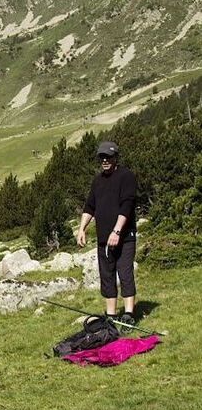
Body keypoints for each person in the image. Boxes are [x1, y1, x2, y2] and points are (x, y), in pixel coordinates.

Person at [77, 141, 137, 333]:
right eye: (101, 157)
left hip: (125, 236)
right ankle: (110, 316)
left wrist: (117, 231)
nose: (104, 160)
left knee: (125, 273)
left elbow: (126, 205)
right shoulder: (98, 180)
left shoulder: (126, 176)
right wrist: (81, 229)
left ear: (115, 158)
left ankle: (128, 314)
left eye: (108, 157)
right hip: (104, 238)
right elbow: (89, 207)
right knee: (107, 276)